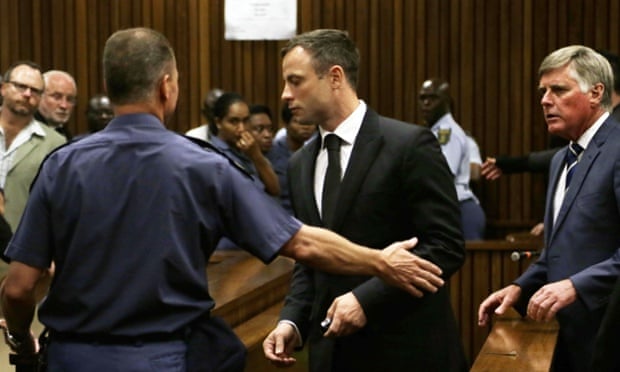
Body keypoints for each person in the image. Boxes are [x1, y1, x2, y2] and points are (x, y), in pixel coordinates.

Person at [0, 28, 443, 371]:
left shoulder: (61, 164)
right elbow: (300, 243)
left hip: (74, 358)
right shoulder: (202, 165)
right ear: (167, 87)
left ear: (109, 87)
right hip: (166, 357)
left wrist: (21, 339)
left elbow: (19, 288)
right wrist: (379, 262)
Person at [263, 29, 467, 372]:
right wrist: (291, 322)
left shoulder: (408, 145)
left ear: (335, 77)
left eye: (295, 81)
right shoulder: (300, 163)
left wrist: (365, 300)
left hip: (404, 350)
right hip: (332, 354)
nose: (285, 94)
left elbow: (446, 246)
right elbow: (310, 258)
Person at [477, 45, 620, 372]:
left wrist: (576, 286)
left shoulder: (617, 149)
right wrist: (519, 286)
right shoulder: (560, 160)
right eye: (543, 91)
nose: (544, 100)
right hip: (566, 335)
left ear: (596, 93)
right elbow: (558, 251)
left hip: (609, 335)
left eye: (558, 90)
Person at [0, 61, 67, 232]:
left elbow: (58, 206)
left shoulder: (55, 144)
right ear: (3, 88)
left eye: (35, 91)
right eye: (21, 86)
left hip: (18, 251)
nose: (28, 94)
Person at [418, 78, 486, 240]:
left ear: (446, 102)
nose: (426, 103)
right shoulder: (435, 131)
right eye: (422, 98)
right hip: (450, 210)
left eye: (433, 98)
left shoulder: (446, 133)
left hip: (459, 211)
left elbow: (442, 175)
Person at [210, 92, 280, 197]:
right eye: (234, 122)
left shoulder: (249, 150)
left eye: (246, 121)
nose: (242, 129)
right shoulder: (212, 154)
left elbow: (275, 189)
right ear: (219, 123)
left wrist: (256, 155)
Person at [267, 105, 317, 214]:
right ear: (286, 124)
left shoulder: (316, 152)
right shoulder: (272, 152)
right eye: (299, 122)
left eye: (310, 123)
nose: (306, 127)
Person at [35, 70, 78, 141]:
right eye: (57, 97)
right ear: (40, 96)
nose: (64, 106)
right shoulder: (26, 132)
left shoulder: (65, 134)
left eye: (69, 99)